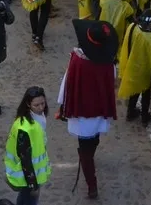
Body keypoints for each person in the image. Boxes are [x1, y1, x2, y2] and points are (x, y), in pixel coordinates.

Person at [58, 19, 119, 199]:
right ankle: (88, 161)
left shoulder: (77, 59)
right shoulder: (108, 63)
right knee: (94, 139)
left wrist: (62, 105)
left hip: (81, 110)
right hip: (99, 108)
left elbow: (67, 82)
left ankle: (92, 184)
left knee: (85, 148)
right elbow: (111, 82)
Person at [4, 86, 51, 205]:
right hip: (28, 174)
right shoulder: (24, 128)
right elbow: (25, 160)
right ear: (28, 104)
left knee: (24, 199)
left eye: (43, 103)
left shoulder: (37, 117)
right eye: (36, 105)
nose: (41, 108)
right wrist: (33, 185)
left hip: (33, 171)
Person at [119, 9, 151, 124]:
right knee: (146, 95)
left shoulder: (132, 27)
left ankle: (130, 113)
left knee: (134, 91)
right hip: (146, 72)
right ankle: (144, 117)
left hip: (132, 67)